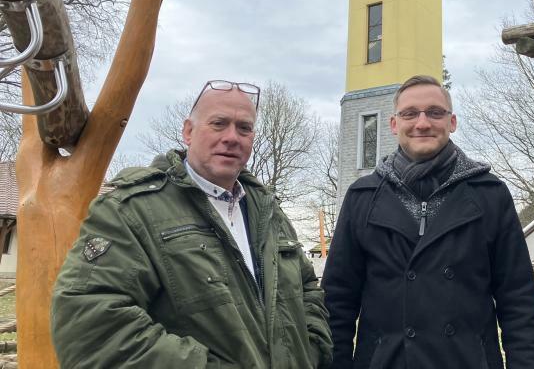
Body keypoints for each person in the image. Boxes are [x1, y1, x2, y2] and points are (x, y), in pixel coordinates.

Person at [51, 80, 333, 368]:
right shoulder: (132, 210)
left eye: (244, 128)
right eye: (219, 123)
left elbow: (308, 288)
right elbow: (89, 326)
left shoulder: (268, 212)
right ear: (188, 131)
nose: (232, 137)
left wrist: (311, 349)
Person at [322, 75, 534, 369]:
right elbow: (337, 304)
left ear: (452, 122)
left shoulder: (490, 195)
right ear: (394, 124)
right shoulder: (362, 197)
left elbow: (518, 303)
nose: (422, 122)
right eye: (410, 113)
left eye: (435, 112)